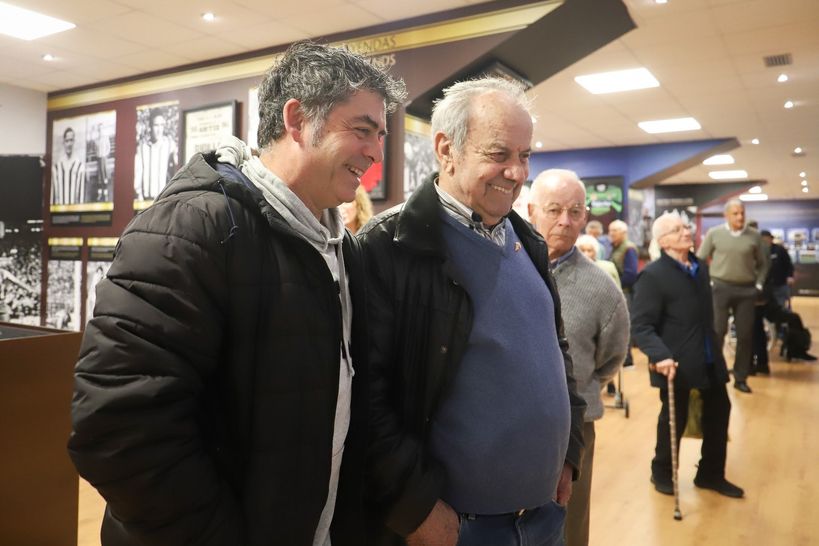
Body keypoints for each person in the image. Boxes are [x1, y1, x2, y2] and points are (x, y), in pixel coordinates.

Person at [68, 41, 406, 545]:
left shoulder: (342, 250)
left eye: (380, 135)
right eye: (362, 130)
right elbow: (118, 426)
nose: (376, 152)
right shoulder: (191, 227)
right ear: (297, 120)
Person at [358, 77, 585, 546]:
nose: (516, 172)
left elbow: (555, 346)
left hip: (545, 513)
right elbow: (367, 397)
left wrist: (570, 450)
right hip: (460, 526)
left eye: (524, 156)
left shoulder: (528, 240)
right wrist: (415, 507)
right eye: (499, 154)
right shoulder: (388, 246)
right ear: (447, 149)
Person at [529, 169, 629, 546]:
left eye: (575, 211)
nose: (565, 221)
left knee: (568, 520)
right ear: (532, 211)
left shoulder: (604, 290)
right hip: (509, 419)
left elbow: (611, 358)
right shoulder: (505, 266)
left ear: (585, 217)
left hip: (574, 424)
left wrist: (577, 387)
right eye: (554, 210)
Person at [632, 211, 744, 500]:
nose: (686, 232)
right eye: (677, 229)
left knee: (719, 412)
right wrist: (660, 355)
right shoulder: (653, 275)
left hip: (709, 355)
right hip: (675, 361)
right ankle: (662, 472)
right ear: (663, 241)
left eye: (685, 227)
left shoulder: (699, 267)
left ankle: (710, 474)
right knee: (673, 419)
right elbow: (641, 326)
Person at [696, 199, 768, 394]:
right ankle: (714, 375)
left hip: (746, 291)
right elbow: (700, 259)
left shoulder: (754, 236)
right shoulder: (714, 234)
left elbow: (763, 264)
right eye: (735, 213)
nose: (740, 217)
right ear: (726, 215)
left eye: (742, 213)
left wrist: (759, 284)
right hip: (720, 288)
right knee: (717, 332)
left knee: (745, 335)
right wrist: (708, 282)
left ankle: (740, 377)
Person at [608, 219, 638, 368]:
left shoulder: (628, 248)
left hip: (625, 293)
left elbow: (631, 275)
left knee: (624, 326)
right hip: (618, 292)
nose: (611, 233)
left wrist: (615, 285)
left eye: (614, 230)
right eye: (610, 230)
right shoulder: (616, 247)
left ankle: (627, 360)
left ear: (623, 232)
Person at [134, 110, 178, 201]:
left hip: (164, 199)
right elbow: (137, 175)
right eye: (156, 125)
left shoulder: (170, 145)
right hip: (146, 199)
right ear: (150, 126)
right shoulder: (142, 148)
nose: (159, 130)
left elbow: (177, 169)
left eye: (161, 125)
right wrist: (139, 195)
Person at [52, 127, 85, 205]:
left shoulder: (80, 167)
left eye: (71, 140)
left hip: (74, 211)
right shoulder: (56, 168)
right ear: (63, 143)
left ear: (74, 142)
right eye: (67, 141)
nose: (69, 144)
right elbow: (53, 197)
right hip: (59, 211)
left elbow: (81, 199)